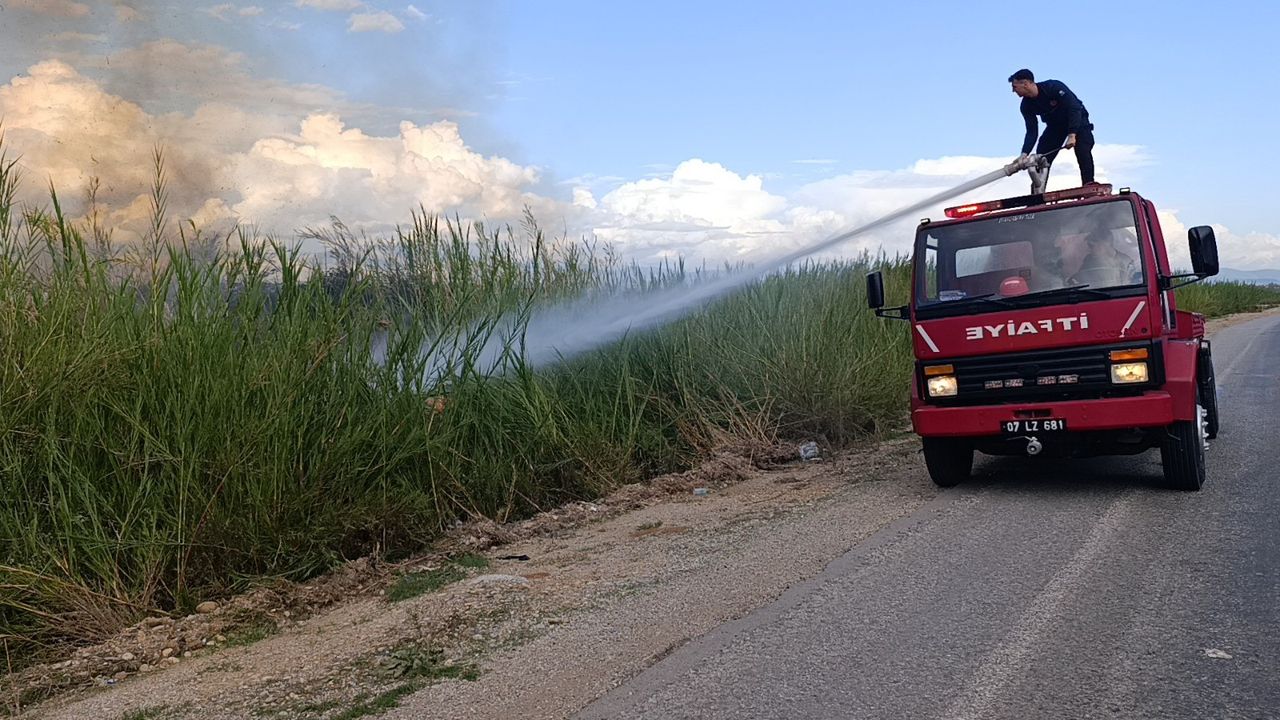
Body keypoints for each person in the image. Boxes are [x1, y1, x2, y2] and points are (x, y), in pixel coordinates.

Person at [1009, 68, 1097, 189]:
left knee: (1083, 149)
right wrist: (1024, 154)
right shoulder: (1026, 106)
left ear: (1025, 83)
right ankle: (1038, 191)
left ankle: (1088, 184)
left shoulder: (1053, 87)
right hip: (1055, 126)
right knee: (1041, 157)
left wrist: (1072, 134)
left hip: (1077, 120)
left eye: (1014, 87)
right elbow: (1031, 131)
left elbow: (1074, 108)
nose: (1013, 91)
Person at [1071, 231, 1137, 287]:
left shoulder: (1126, 261)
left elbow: (1132, 284)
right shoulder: (1089, 260)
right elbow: (1079, 278)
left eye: (1091, 246)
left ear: (1105, 244)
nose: (1088, 249)